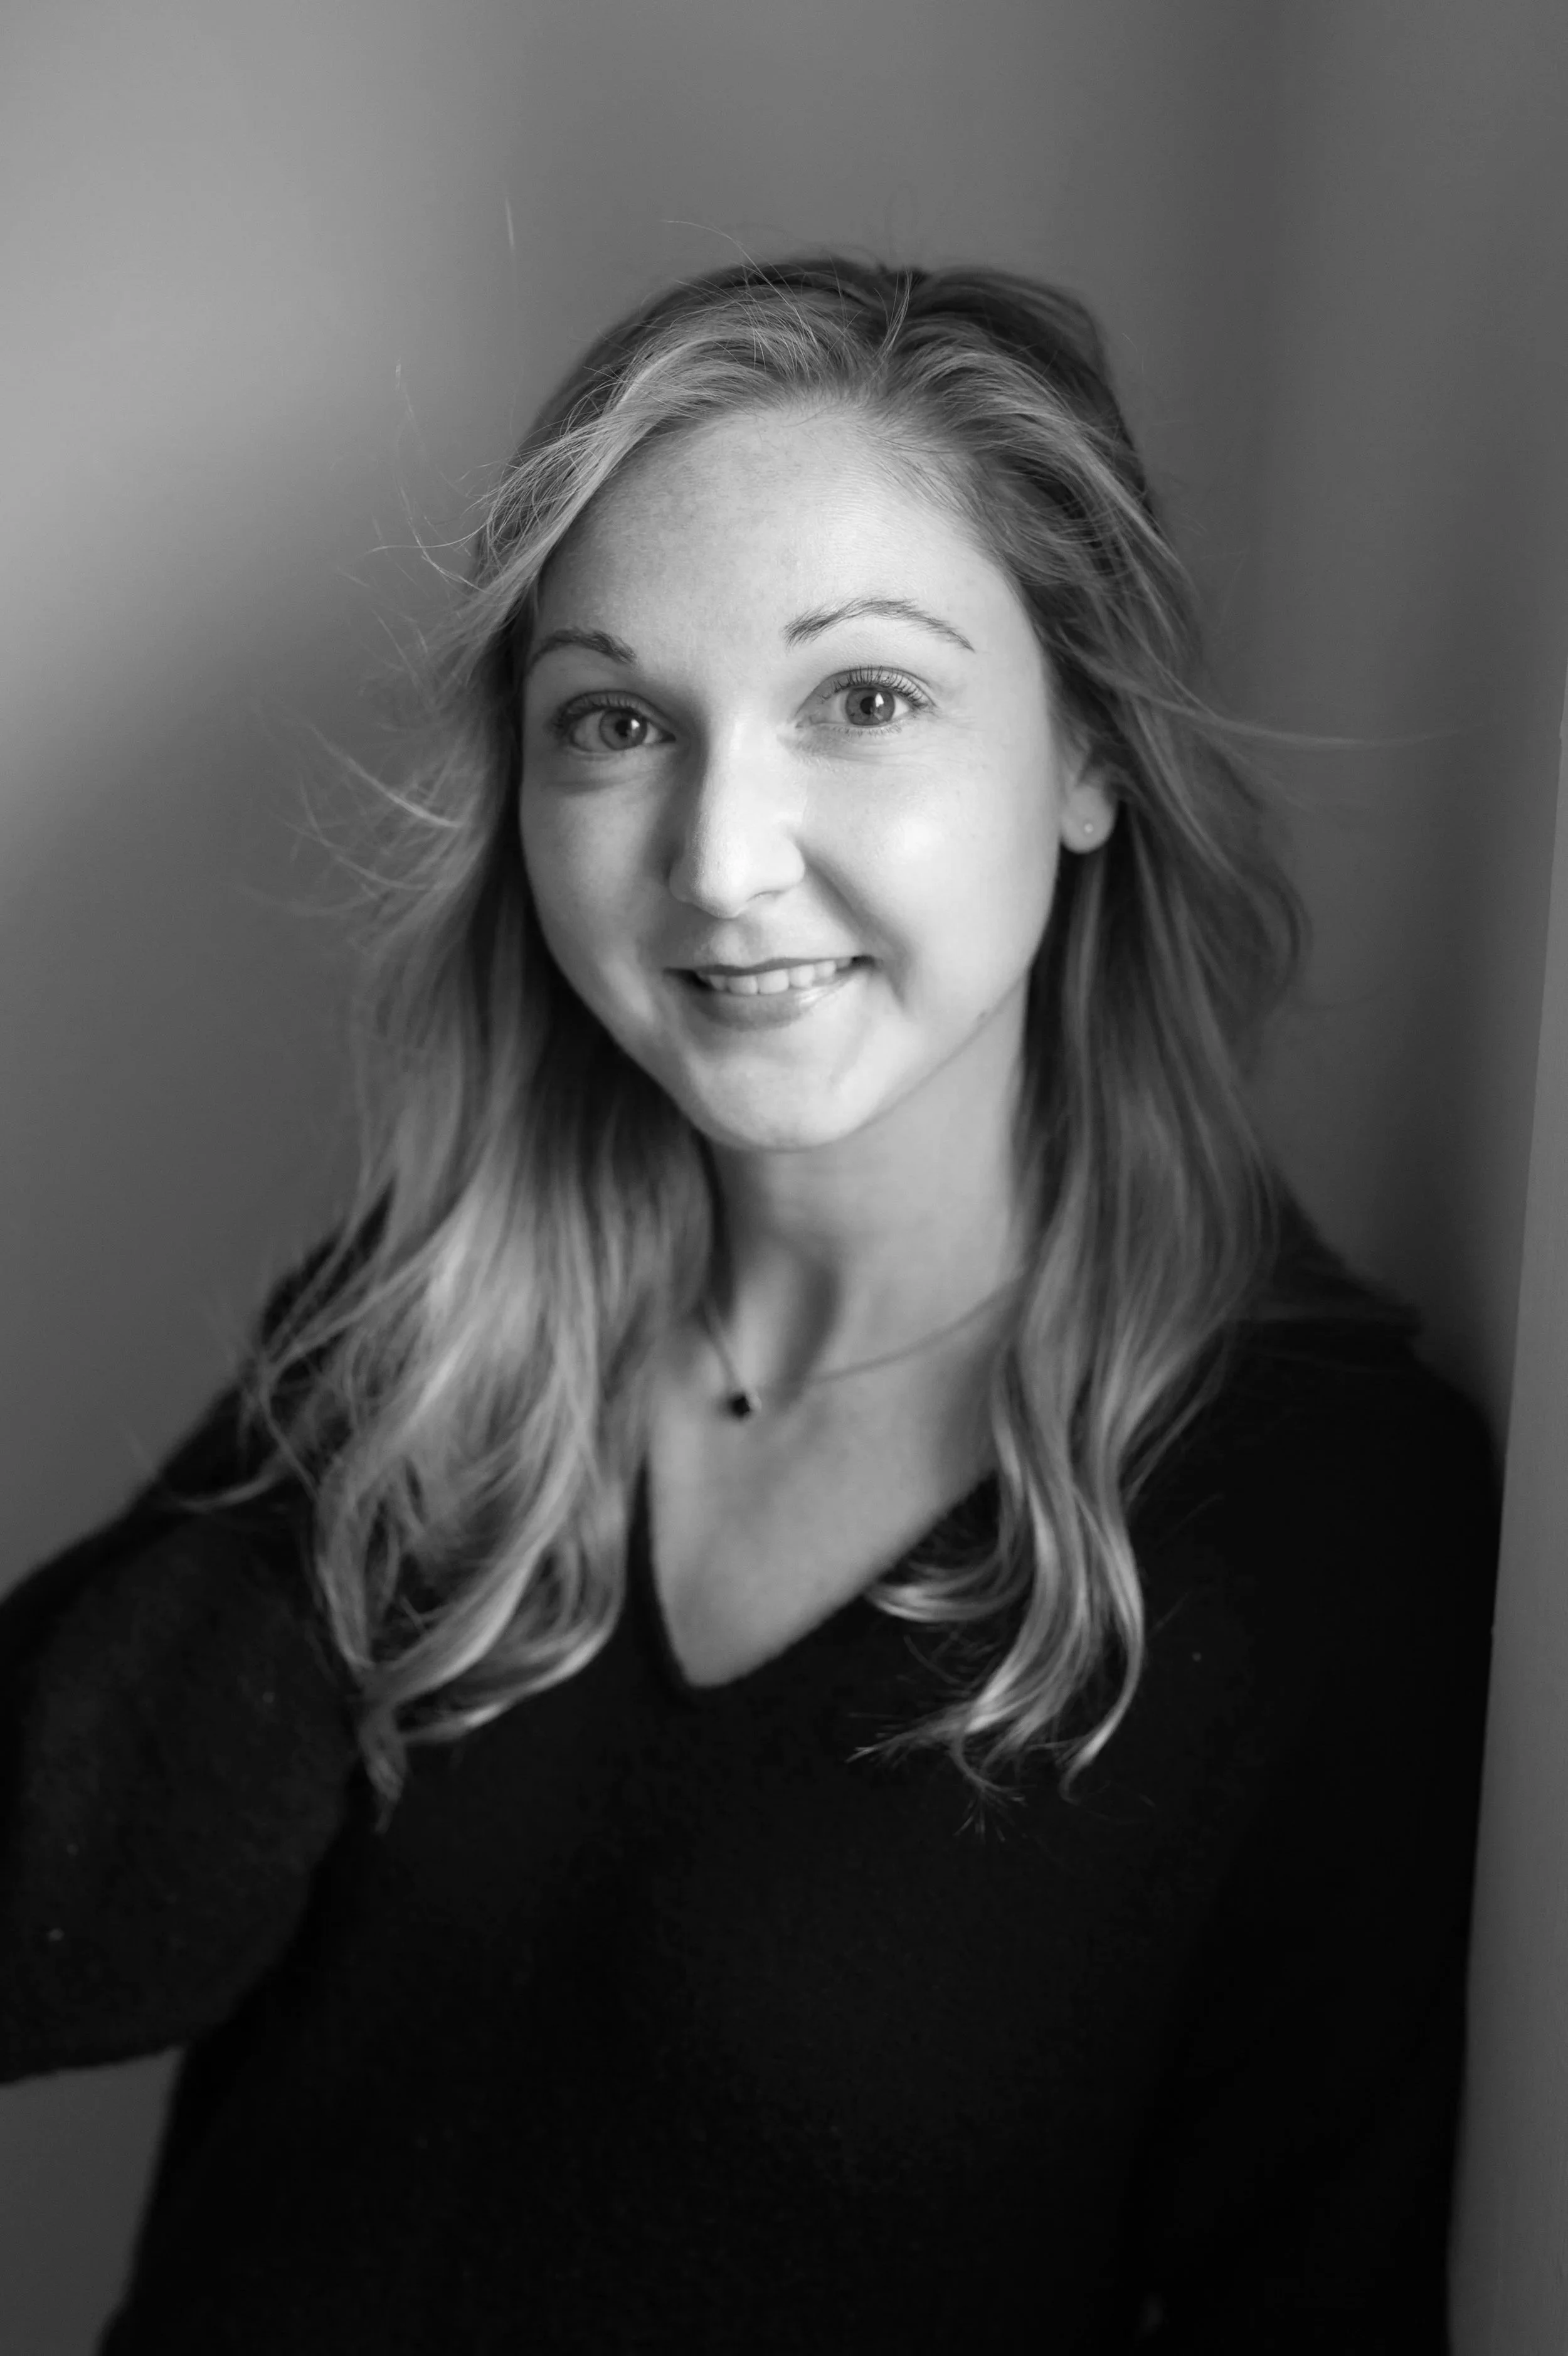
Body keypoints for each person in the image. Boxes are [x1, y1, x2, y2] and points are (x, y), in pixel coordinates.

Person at [0, 257, 1498, 2353]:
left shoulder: (1337, 1531)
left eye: (861, 700)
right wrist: (426, 1378)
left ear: (1085, 756)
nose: (717, 860)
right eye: (613, 722)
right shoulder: (424, 1339)